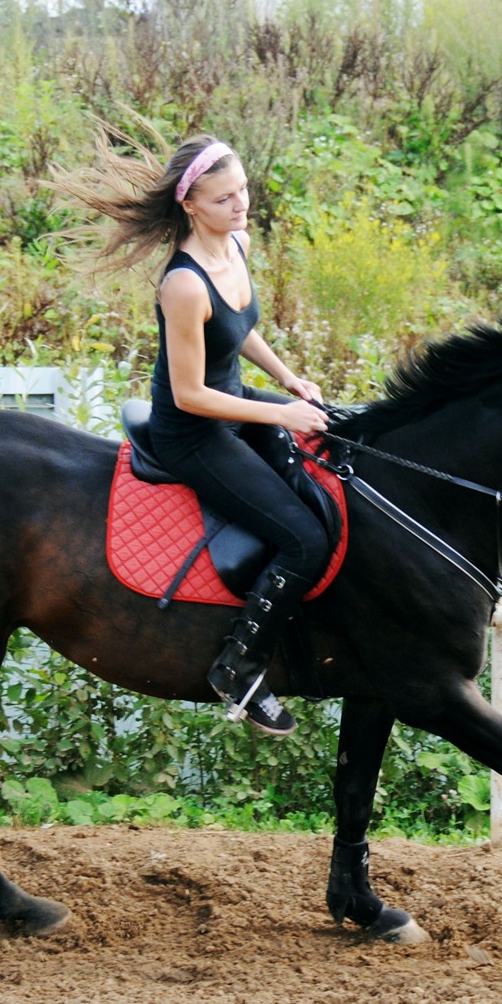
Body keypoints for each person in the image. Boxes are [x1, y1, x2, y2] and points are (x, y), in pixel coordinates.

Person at [57, 133, 330, 735]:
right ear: (190, 206)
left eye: (243, 193)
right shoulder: (181, 285)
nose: (240, 207)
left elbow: (237, 330)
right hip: (193, 432)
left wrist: (289, 381)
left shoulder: (237, 244)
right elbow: (189, 395)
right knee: (304, 540)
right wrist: (282, 414)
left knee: (331, 457)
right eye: (224, 200)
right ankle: (239, 666)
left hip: (234, 404)